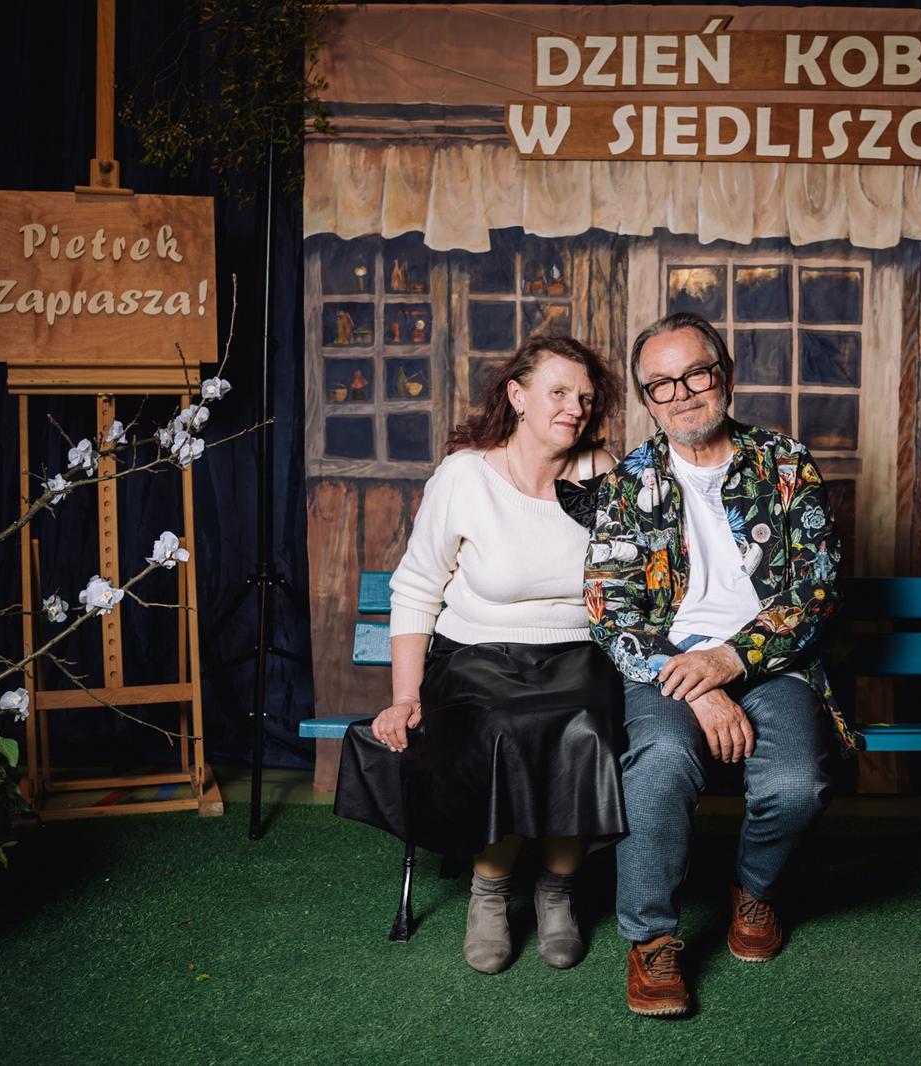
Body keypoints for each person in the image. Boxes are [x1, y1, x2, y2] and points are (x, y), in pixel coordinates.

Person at [584, 312, 851, 1017]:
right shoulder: (628, 483)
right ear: (647, 399)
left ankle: (754, 891)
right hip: (668, 664)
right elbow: (610, 608)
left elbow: (817, 587)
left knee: (797, 784)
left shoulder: (785, 464)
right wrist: (696, 684)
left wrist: (732, 660)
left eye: (695, 374)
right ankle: (650, 940)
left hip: (771, 657)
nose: (681, 394)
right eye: (661, 384)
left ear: (725, 377)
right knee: (660, 764)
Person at [335, 334, 626, 974]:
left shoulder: (602, 471)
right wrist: (404, 697)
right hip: (476, 655)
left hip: (579, 654)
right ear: (517, 396)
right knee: (502, 726)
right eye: (557, 392)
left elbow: (632, 578)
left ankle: (557, 892)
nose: (574, 408)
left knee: (586, 724)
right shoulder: (466, 475)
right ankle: (489, 893)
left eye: (584, 397)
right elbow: (417, 588)